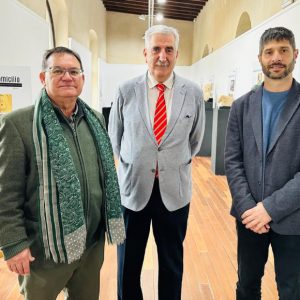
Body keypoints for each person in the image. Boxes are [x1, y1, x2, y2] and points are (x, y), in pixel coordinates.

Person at [0, 46, 125, 300]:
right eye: (57, 70)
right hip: (45, 251)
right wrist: (14, 245)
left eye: (73, 71)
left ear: (82, 79)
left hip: (91, 247)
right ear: (43, 77)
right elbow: (5, 193)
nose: (67, 76)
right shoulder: (18, 125)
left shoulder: (96, 120)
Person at [108, 25, 205, 300]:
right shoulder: (126, 90)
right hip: (133, 191)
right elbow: (115, 138)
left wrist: (169, 163)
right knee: (128, 266)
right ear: (145, 53)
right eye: (156, 49)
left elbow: (195, 141)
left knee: (172, 264)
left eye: (169, 49)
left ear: (177, 53)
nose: (162, 55)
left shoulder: (193, 93)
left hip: (174, 193)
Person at [225, 27, 300, 300]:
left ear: (295, 54)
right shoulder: (241, 106)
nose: (276, 57)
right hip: (248, 218)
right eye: (269, 52)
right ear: (260, 58)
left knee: (291, 290)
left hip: (293, 218)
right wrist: (249, 209)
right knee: (246, 285)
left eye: (283, 50)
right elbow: (232, 161)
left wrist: (269, 208)